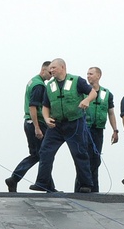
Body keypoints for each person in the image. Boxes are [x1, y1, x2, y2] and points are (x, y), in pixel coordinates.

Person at [32, 58, 96, 194]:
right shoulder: (50, 86)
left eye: (54, 67)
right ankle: (42, 182)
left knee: (79, 153)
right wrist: (46, 118)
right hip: (56, 125)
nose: (51, 70)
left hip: (75, 123)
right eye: (50, 68)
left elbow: (93, 92)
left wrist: (86, 100)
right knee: (45, 151)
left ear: (62, 67)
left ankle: (86, 184)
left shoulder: (77, 81)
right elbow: (45, 106)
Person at [5, 60, 52, 192]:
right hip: (35, 123)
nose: (51, 75)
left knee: (39, 154)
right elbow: (33, 106)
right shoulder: (39, 85)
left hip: (29, 122)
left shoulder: (33, 81)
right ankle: (17, 178)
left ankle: (15, 179)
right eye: (50, 72)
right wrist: (37, 127)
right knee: (45, 154)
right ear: (43, 70)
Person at [80, 67, 119, 193]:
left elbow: (111, 113)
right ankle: (81, 186)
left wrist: (115, 130)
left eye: (91, 74)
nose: (88, 76)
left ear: (98, 76)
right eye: (87, 74)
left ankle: (94, 188)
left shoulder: (107, 94)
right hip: (84, 129)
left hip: (98, 130)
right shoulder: (83, 91)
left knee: (96, 158)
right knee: (84, 157)